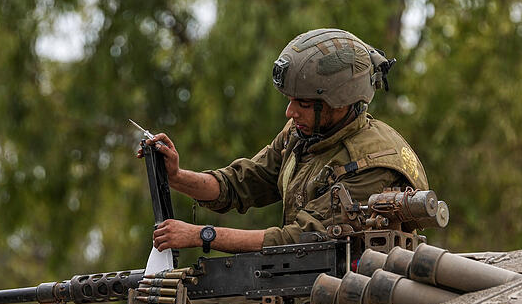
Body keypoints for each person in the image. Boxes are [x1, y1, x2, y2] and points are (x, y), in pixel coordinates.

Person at [146, 28, 428, 254]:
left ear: (340, 103)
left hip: (362, 299)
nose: (289, 112)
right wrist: (177, 177)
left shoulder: (372, 165)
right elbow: (245, 181)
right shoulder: (304, 134)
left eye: (302, 103)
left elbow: (299, 240)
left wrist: (201, 235)